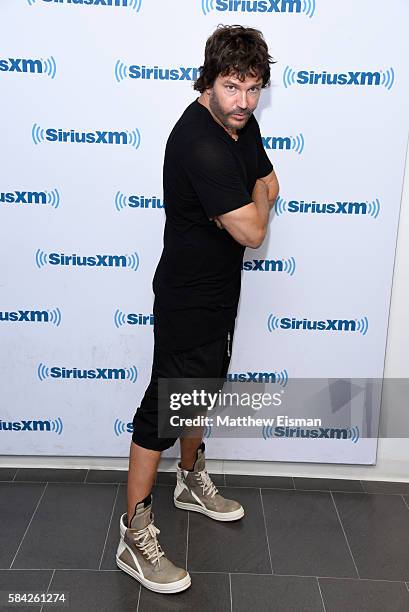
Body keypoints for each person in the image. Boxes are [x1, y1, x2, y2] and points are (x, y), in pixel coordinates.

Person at [116, 24, 279, 594]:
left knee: (203, 388)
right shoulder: (201, 143)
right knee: (163, 407)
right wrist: (248, 206)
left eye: (254, 88)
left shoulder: (238, 123)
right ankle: (133, 533)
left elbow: (270, 184)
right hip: (188, 294)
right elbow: (257, 230)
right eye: (233, 87)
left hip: (221, 290)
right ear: (208, 81)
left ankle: (188, 479)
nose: (244, 101)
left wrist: (247, 203)